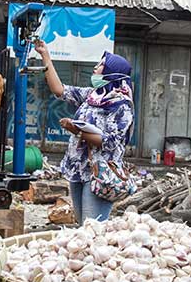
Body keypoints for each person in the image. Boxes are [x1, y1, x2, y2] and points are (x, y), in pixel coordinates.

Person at [34, 40, 135, 224]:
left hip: (99, 172)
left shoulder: (122, 105)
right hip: (78, 168)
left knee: (92, 228)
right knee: (83, 226)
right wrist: (45, 55)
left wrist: (77, 130)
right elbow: (60, 90)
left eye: (101, 65)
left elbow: (111, 142)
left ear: (112, 73)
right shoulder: (92, 95)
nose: (95, 68)